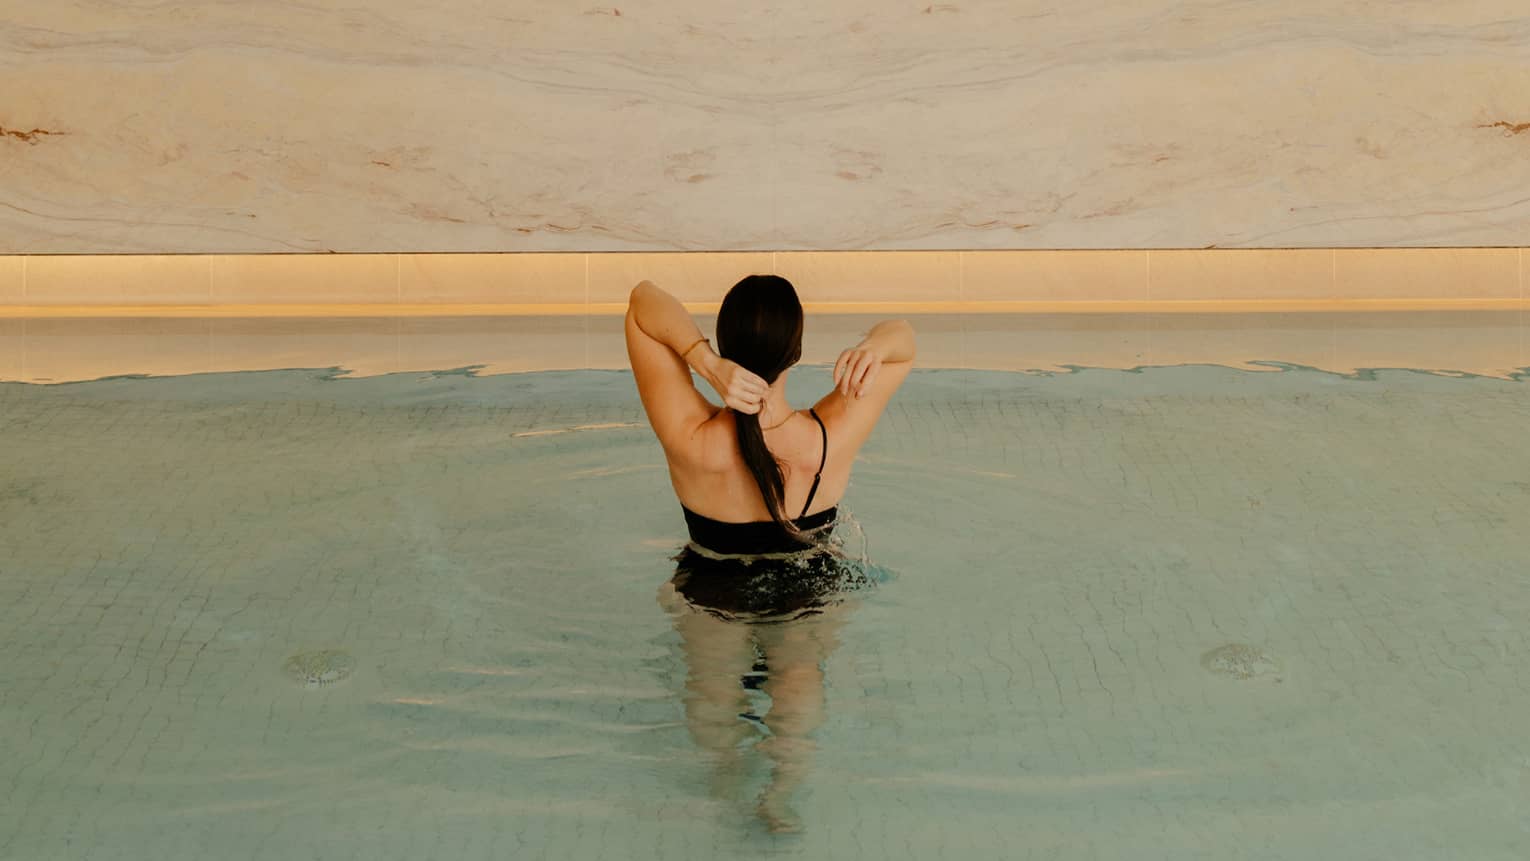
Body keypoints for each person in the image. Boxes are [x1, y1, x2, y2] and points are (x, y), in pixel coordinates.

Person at [626, 274, 915, 832]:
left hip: (713, 591)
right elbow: (906, 340)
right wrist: (872, 348)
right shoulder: (829, 436)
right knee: (800, 683)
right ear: (797, 352)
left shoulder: (690, 438)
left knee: (712, 695)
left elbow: (643, 303)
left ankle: (727, 801)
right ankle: (783, 795)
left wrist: (704, 362)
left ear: (726, 344)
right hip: (807, 592)